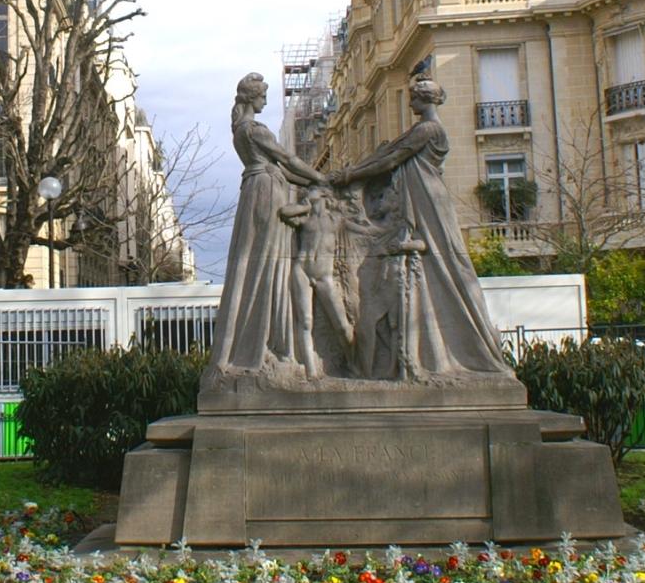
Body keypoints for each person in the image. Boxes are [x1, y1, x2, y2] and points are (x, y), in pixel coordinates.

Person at [329, 78, 516, 377]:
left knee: (452, 263)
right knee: (445, 265)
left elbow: (392, 158)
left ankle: (477, 347)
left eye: (414, 97)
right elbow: (388, 153)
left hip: (429, 200)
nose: (410, 102)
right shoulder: (424, 129)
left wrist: (350, 174)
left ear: (426, 99)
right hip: (425, 197)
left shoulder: (427, 129)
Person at [202, 72, 330, 385]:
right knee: (269, 264)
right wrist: (320, 178)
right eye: (263, 96)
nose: (266, 101)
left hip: (257, 188)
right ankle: (263, 345)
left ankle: (265, 342)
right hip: (266, 193)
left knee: (258, 263)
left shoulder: (239, 130)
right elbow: (286, 158)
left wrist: (314, 179)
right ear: (252, 97)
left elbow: (284, 169)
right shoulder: (254, 129)